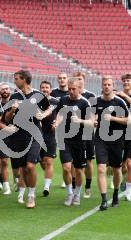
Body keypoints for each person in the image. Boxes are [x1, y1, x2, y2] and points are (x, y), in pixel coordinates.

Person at [0, 70, 50, 208]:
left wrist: (43, 115)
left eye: (17, 79)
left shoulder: (38, 95)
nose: (15, 81)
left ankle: (31, 196)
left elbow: (49, 109)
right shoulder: (14, 96)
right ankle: (24, 192)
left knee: (30, 166)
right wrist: (12, 110)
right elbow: (5, 119)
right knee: (23, 169)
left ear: (25, 80)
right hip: (18, 136)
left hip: (34, 134)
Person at [94, 76, 130, 211]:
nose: (107, 86)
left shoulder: (120, 102)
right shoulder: (96, 101)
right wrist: (94, 121)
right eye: (105, 84)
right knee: (101, 169)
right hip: (100, 139)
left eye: (109, 84)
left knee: (116, 170)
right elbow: (91, 116)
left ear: (112, 86)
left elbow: (129, 120)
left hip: (116, 139)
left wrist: (113, 118)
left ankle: (115, 194)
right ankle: (103, 200)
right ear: (102, 86)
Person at [55, 78, 93, 206]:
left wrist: (80, 121)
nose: (70, 91)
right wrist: (56, 122)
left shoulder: (84, 103)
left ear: (79, 88)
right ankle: (70, 193)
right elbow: (60, 114)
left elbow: (91, 122)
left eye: (73, 89)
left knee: (78, 170)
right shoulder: (63, 100)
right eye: (69, 89)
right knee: (66, 168)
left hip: (79, 141)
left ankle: (77, 194)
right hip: (64, 139)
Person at [74, 71, 96, 198]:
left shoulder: (90, 96)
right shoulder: (70, 95)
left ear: (84, 80)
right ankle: (74, 187)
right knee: (73, 162)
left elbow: (94, 114)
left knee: (88, 161)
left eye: (80, 78)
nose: (78, 80)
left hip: (87, 133)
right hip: (72, 134)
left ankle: (88, 187)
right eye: (76, 78)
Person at [39, 80, 59, 197]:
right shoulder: (34, 102)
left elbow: (54, 112)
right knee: (42, 161)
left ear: (50, 90)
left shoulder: (55, 101)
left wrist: (56, 123)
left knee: (48, 161)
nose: (45, 89)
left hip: (50, 136)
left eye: (47, 87)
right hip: (37, 135)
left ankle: (46, 187)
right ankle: (47, 178)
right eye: (43, 87)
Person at [0, 83, 16, 194]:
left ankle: (17, 181)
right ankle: (6, 186)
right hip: (3, 136)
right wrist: (6, 128)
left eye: (7, 89)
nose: (5, 91)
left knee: (17, 162)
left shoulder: (16, 102)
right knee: (3, 161)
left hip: (17, 136)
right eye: (2, 89)